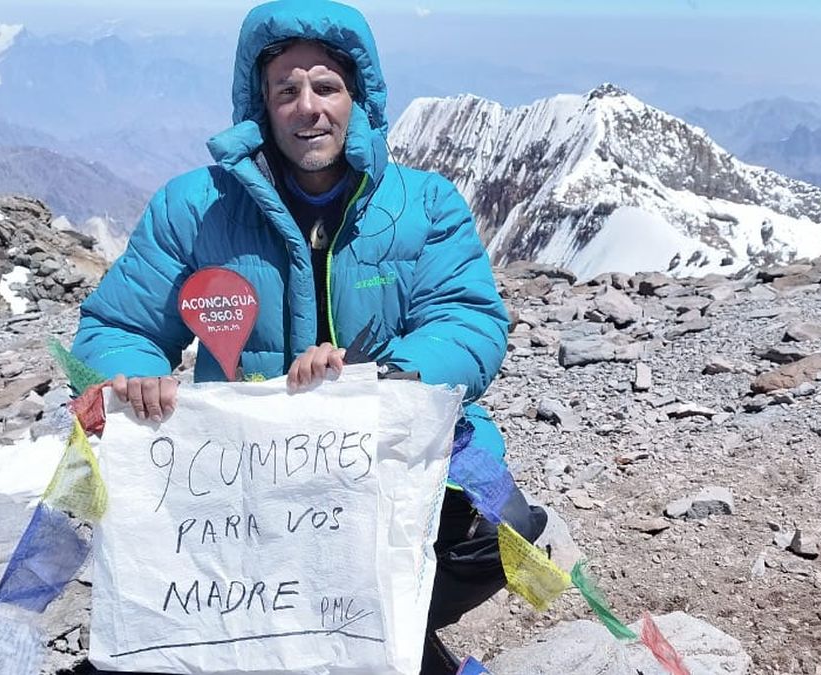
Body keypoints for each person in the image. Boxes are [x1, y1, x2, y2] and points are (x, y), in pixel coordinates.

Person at [71, 1, 546, 672]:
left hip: (392, 459)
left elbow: (468, 322)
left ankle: (321, 632)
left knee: (507, 532)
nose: (307, 106)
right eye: (285, 89)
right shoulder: (195, 206)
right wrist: (129, 376)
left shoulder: (425, 204)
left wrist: (380, 377)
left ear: (359, 97)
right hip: (243, 483)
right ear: (260, 103)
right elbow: (116, 325)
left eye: (326, 86)